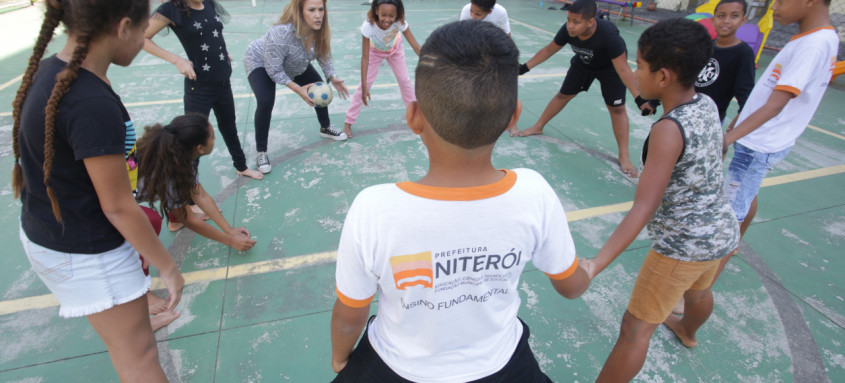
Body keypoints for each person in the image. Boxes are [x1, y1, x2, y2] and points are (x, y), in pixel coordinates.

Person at [330, 20, 590, 382]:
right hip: (502, 364)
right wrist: (588, 270)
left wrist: (342, 359)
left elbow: (350, 313)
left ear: (414, 116)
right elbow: (571, 285)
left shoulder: (374, 208)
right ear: (514, 116)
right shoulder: (534, 192)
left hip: (395, 365)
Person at [11, 0, 184, 380]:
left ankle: (130, 320)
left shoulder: (52, 71)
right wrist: (169, 269)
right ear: (123, 28)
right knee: (138, 358)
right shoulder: (90, 103)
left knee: (128, 341)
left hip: (50, 230)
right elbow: (118, 207)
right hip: (86, 251)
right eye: (142, 31)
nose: (143, 40)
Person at [580, 19, 740, 382]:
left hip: (679, 248)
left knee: (634, 331)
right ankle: (688, 331)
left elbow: (643, 206)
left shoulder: (668, 131)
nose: (635, 73)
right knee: (699, 293)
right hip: (721, 235)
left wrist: (595, 264)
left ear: (664, 77)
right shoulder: (708, 104)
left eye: (639, 65)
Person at [716, 0, 838, 290]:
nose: (775, 7)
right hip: (760, 138)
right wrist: (738, 122)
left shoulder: (812, 45)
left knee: (726, 218)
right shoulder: (816, 37)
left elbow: (775, 105)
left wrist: (727, 138)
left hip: (759, 143)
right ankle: (733, 241)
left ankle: (696, 292)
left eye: (781, 1)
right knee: (746, 196)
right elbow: (767, 94)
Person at [516, 0, 658, 178]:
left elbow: (623, 69)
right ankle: (538, 126)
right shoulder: (567, 30)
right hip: (583, 63)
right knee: (563, 95)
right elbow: (549, 50)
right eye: (569, 20)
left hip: (610, 69)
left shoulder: (609, 36)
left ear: (591, 21)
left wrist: (639, 98)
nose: (570, 26)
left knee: (617, 109)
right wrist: (524, 68)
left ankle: (624, 155)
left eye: (576, 22)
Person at [143, 0, 264, 180]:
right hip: (199, 86)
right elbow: (141, 38)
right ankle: (190, 195)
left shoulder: (209, 3)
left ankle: (241, 166)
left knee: (229, 126)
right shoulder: (171, 9)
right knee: (193, 140)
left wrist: (221, 53)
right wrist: (177, 60)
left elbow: (212, 34)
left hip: (222, 80)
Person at [244, 0, 350, 174]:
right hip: (261, 62)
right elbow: (274, 70)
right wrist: (298, 89)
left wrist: (332, 76)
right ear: (300, 12)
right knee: (265, 101)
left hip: (295, 63)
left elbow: (324, 55)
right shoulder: (281, 33)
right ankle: (261, 151)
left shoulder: (321, 30)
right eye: (312, 10)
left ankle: (325, 127)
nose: (318, 15)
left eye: (321, 9)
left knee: (320, 87)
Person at [135, 114, 258, 253]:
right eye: (212, 136)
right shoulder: (171, 175)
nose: (214, 139)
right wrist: (229, 240)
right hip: (109, 208)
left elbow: (200, 195)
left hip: (116, 199)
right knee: (150, 221)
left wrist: (229, 230)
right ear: (199, 148)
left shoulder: (178, 155)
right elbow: (189, 220)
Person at [342, 0, 421, 138]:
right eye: (383, 15)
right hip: (375, 52)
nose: (387, 19)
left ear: (397, 14)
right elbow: (365, 58)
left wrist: (431, 62)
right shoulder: (368, 26)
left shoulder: (399, 22)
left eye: (392, 15)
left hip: (395, 50)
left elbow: (415, 46)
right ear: (376, 11)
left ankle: (415, 117)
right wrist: (365, 85)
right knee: (363, 86)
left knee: (405, 81)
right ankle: (348, 123)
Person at [694, 0, 756, 125]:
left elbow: (745, 90)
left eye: (734, 16)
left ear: (743, 20)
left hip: (711, 119)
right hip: (685, 111)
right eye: (721, 15)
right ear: (713, 19)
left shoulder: (743, 53)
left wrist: (741, 117)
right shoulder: (705, 46)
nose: (726, 21)